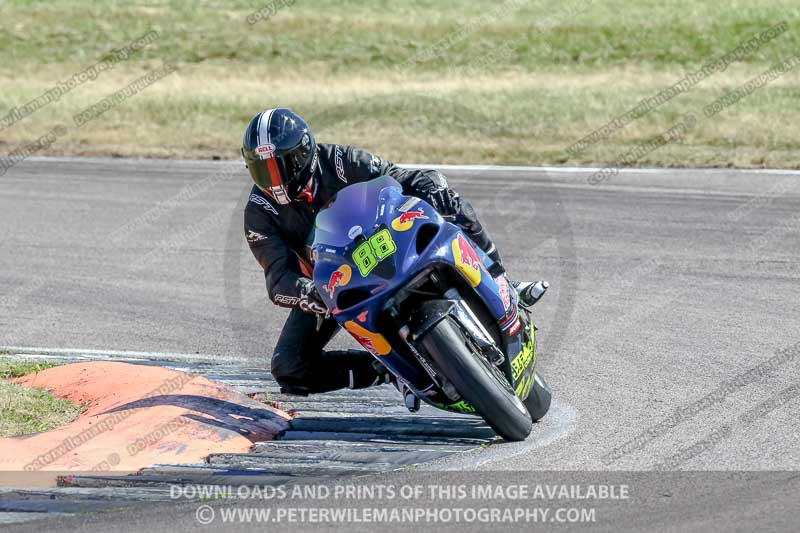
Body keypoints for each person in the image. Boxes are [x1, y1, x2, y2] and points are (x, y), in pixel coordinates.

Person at [242, 108, 547, 397]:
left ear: (305, 152)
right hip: (334, 286)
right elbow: (278, 280)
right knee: (289, 366)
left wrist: (434, 188)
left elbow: (401, 177)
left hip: (388, 241)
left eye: (282, 164)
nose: (275, 179)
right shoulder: (259, 213)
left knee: (455, 206)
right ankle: (389, 371)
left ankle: (500, 277)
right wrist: (307, 292)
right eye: (263, 169)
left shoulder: (339, 160)